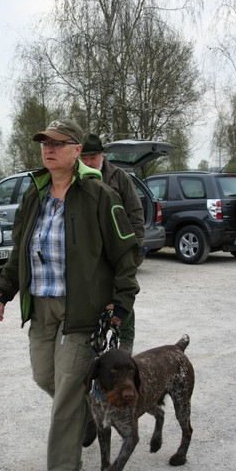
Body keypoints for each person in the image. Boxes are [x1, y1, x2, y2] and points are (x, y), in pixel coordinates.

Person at [0, 119, 139, 471]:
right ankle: (86, 414)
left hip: (83, 308)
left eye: (58, 143)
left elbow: (126, 252)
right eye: (45, 143)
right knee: (45, 376)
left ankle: (63, 467)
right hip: (41, 303)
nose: (49, 149)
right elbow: (20, 250)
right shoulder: (34, 195)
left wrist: (122, 301)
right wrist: (3, 290)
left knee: (70, 383)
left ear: (77, 150)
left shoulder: (99, 194)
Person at [80, 133, 145, 356]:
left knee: (123, 293)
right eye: (84, 158)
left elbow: (135, 214)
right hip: (90, 252)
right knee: (92, 298)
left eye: (92, 157)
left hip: (119, 248)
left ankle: (126, 340)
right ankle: (94, 343)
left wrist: (135, 249)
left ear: (102, 155)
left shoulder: (119, 177)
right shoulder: (77, 178)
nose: (88, 162)